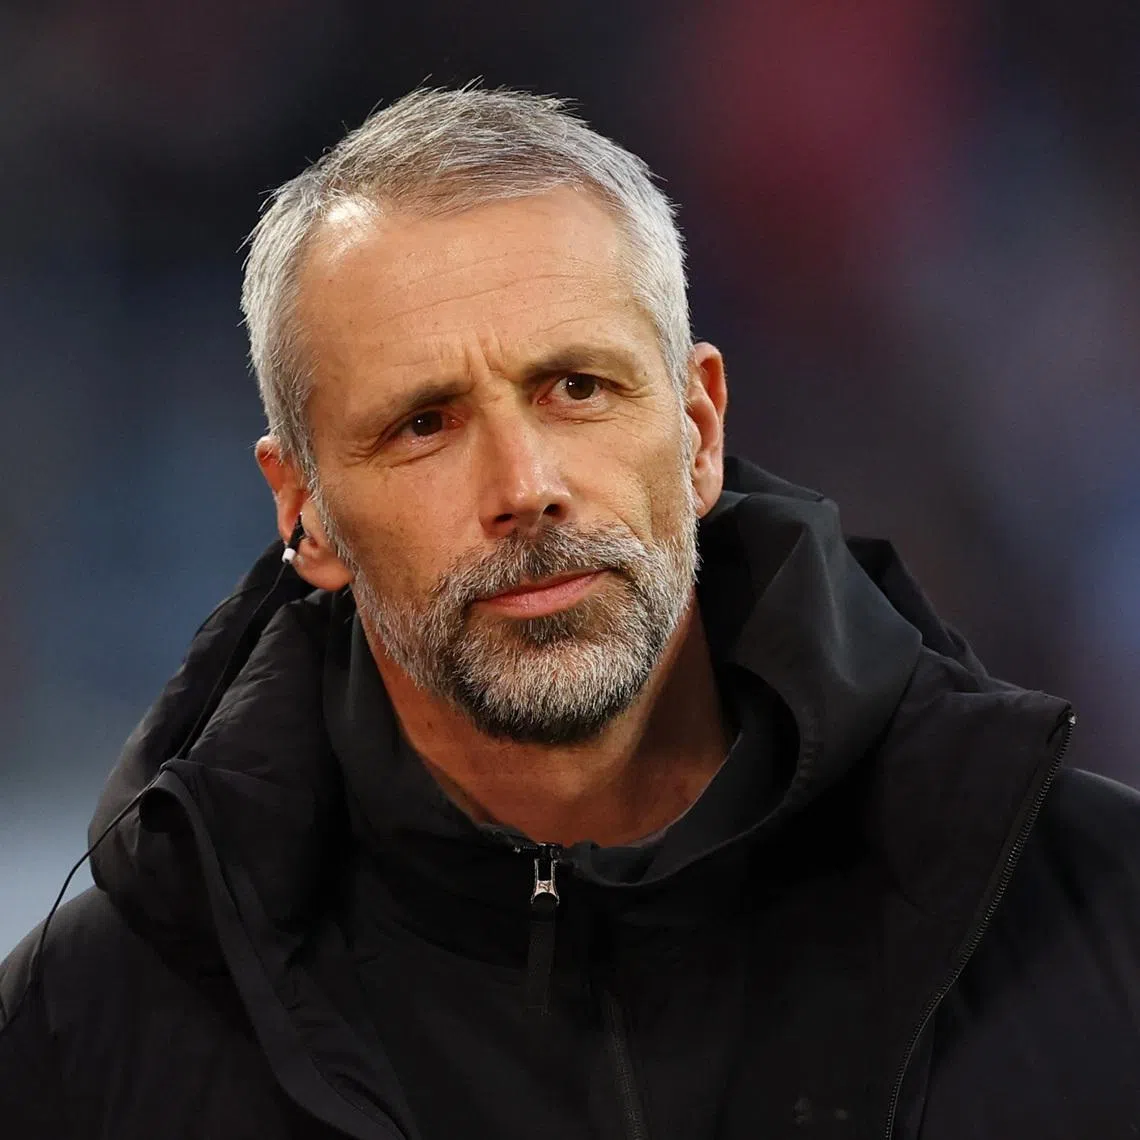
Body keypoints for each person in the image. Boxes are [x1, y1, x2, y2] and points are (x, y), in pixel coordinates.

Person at [1, 86, 1138, 1140]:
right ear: (304, 512)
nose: (523, 486)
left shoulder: (1097, 917)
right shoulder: (85, 1038)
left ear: (698, 431)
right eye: (425, 424)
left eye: (577, 389)